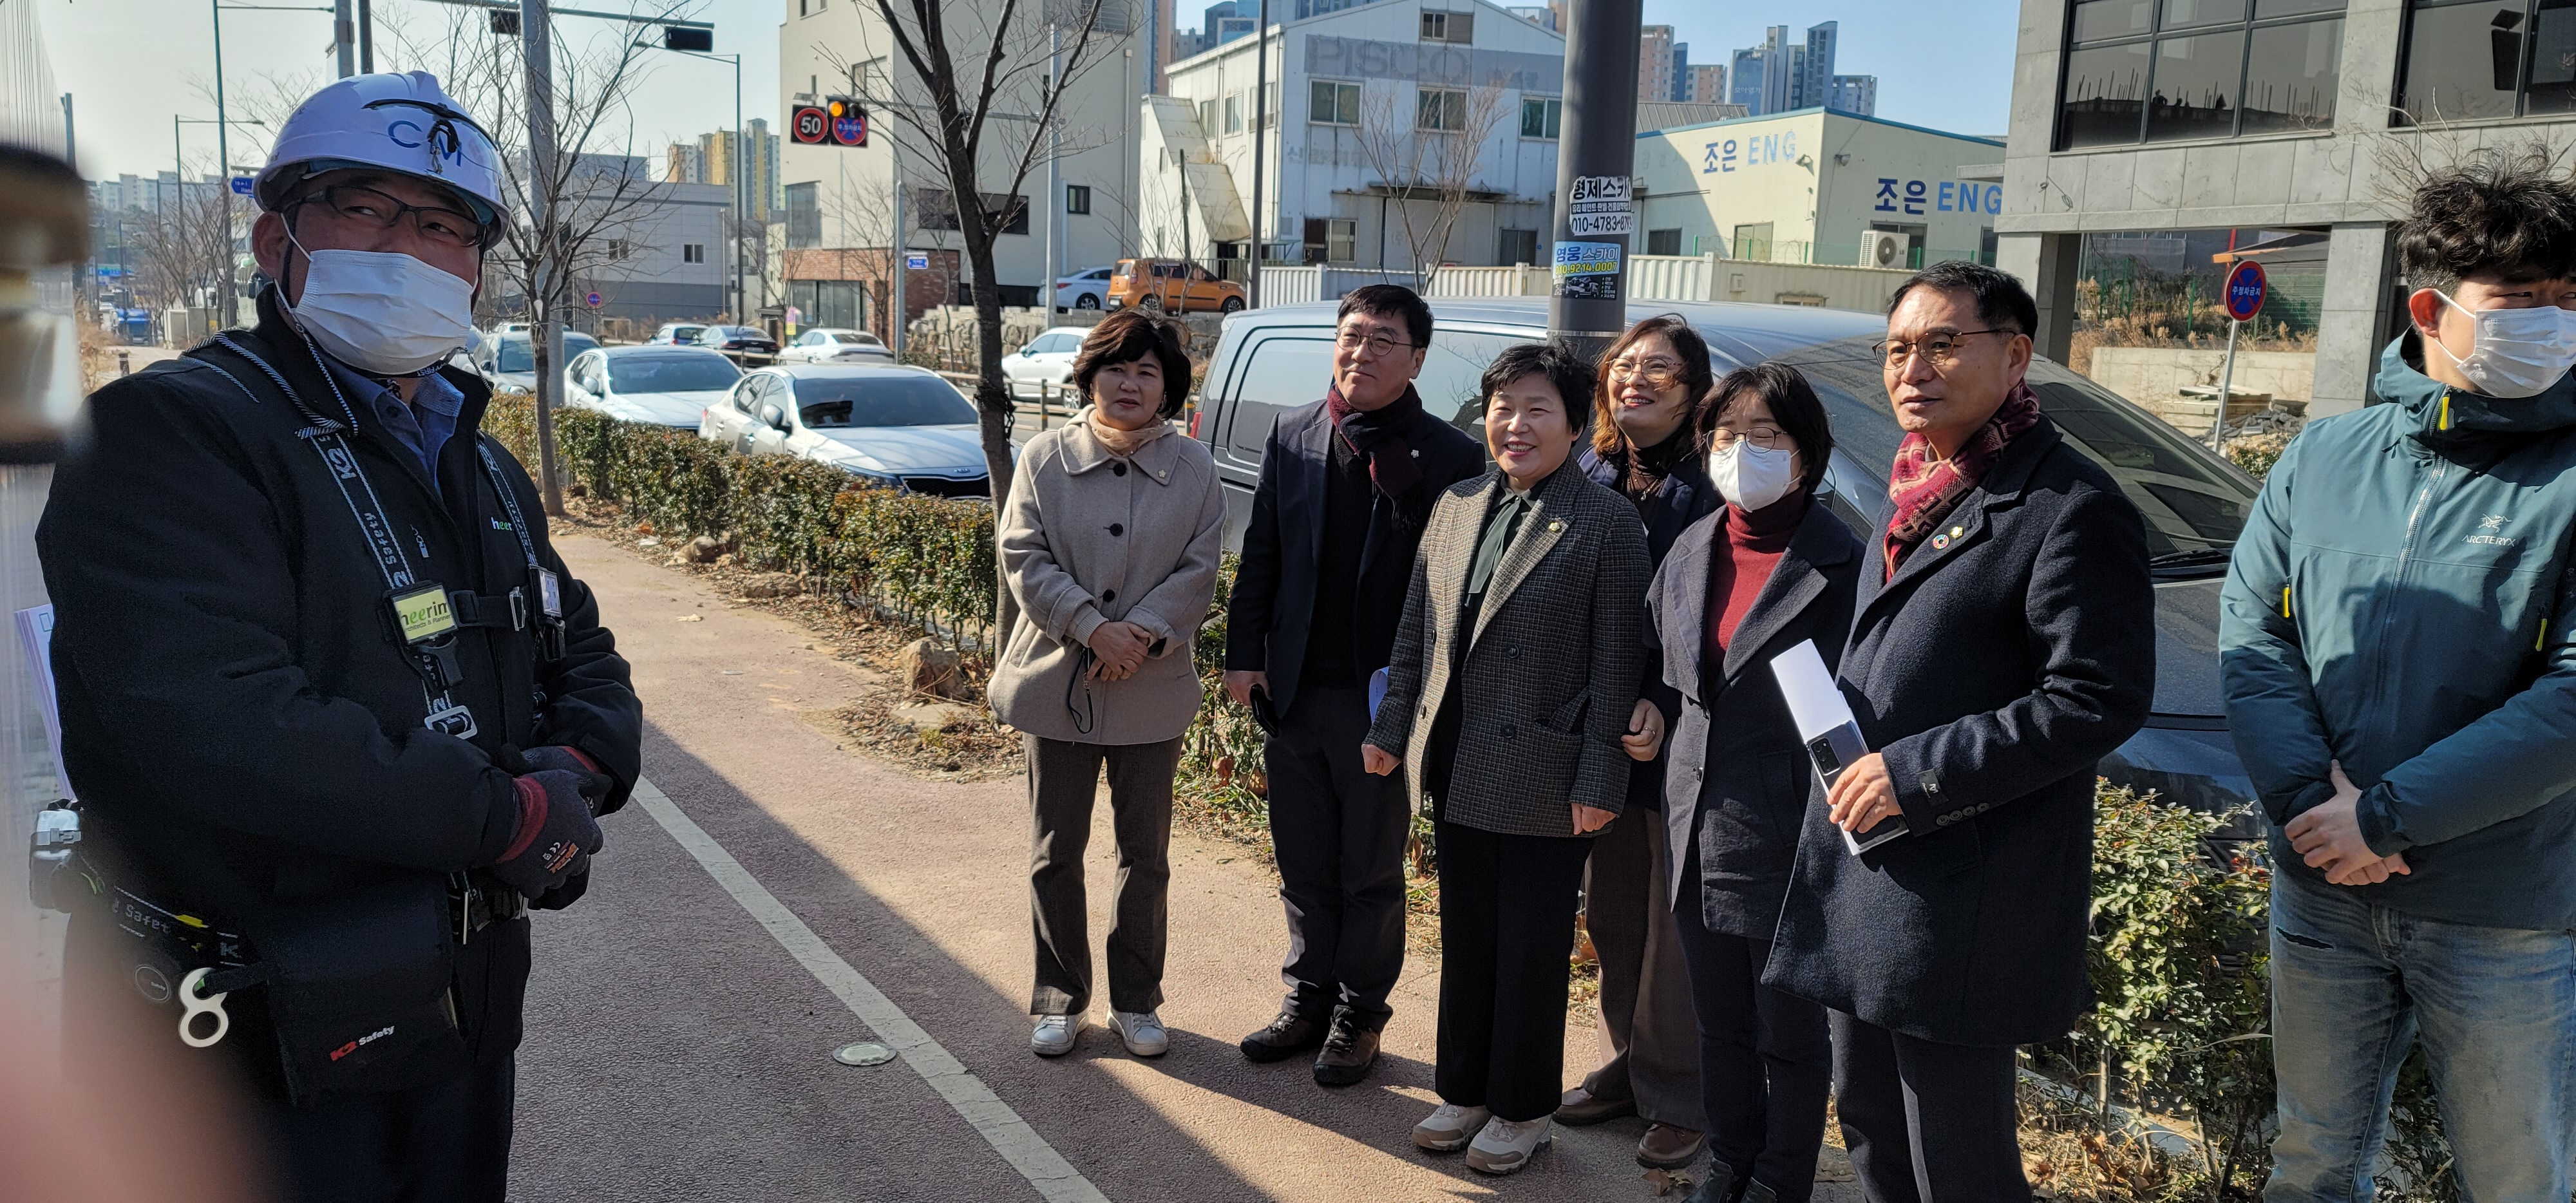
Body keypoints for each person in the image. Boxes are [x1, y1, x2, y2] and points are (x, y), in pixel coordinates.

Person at [35, 72, 643, 1202]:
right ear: (278, 238)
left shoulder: (478, 457)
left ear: (475, 267)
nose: (407, 248)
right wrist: (506, 814)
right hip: (230, 1030)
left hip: (451, 1002)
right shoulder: (169, 432)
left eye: (445, 226)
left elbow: (578, 647)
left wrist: (580, 766)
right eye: (364, 209)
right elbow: (218, 720)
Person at [2219, 158, 2576, 1201]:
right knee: (2311, 1164)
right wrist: (2311, 807)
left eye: (2571, 299)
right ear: (2431, 310)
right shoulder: (2324, 457)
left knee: (2520, 1181)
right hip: (2322, 892)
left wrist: (2382, 818)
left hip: (2501, 908)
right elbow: (2254, 634)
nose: (2557, 324)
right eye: (2525, 302)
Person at [1764, 261, 2155, 1201]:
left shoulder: (2071, 506)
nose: (1913, 369)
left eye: (1943, 344)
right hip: (1872, 866)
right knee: (1872, 1125)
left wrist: (1914, 772)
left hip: (1966, 886)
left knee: (1956, 1155)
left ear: (2015, 356)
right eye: (1898, 348)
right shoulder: (1918, 484)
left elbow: (2094, 698)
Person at [1367, 339, 1653, 1176]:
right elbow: (1416, 634)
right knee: (1467, 935)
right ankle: (1464, 1090)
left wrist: (1601, 776)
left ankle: (1524, 1108)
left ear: (1576, 426)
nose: (1515, 425)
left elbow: (1618, 663)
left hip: (1545, 770)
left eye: (1537, 409)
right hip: (1456, 758)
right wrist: (1391, 730)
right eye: (1502, 407)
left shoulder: (1606, 521)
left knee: (1530, 946)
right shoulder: (1457, 503)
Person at [1222, 284, 1482, 1085]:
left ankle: (1360, 1013)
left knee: (1369, 867)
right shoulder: (1295, 431)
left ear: (1417, 359)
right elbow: (1262, 550)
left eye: (1383, 340)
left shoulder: (1452, 456)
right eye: (1352, 335)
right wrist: (1243, 652)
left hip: (1383, 699)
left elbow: (1451, 592)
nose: (1361, 351)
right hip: (1295, 688)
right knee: (1302, 858)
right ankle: (1306, 998)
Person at [1640, 364, 1860, 1203]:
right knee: (1719, 1021)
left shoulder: (1842, 562)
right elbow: (1669, 662)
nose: (1742, 451)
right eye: (1726, 434)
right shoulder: (1692, 545)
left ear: (1806, 452)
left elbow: (1858, 702)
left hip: (1793, 828)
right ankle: (1730, 1159)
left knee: (1789, 1033)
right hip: (1695, 816)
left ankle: (1779, 1177)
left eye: (1765, 434)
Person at [990, 308, 1227, 1060]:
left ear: (1168, 386)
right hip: (1057, 682)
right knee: (1054, 849)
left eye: (1146, 371)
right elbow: (1022, 554)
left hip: (1150, 687)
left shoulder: (1195, 468)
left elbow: (1200, 567)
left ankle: (1136, 998)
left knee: (1144, 854)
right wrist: (1091, 627)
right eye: (1116, 368)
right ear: (1089, 377)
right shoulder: (1044, 456)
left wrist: (1140, 633)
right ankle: (1059, 998)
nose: (1130, 383)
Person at [1561, 314, 1718, 1170]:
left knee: (1671, 926)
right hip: (1595, 729)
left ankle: (1679, 1092)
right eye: (1624, 365)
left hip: (1676, 731)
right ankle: (1627, 1065)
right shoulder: (1588, 471)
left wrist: (1662, 696)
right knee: (1614, 913)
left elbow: (1712, 616)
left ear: (1693, 391)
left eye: (1660, 368)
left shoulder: (1714, 484)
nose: (1635, 379)